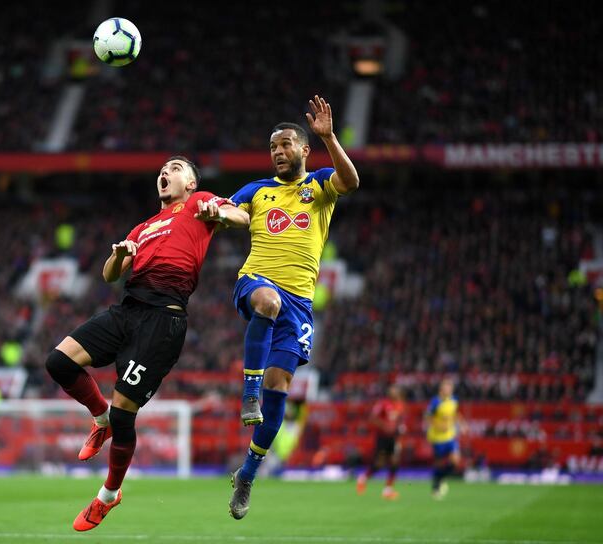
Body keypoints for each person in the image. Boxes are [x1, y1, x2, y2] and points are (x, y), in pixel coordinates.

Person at [44, 156, 249, 532]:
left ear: (190, 183)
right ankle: (99, 416)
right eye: (162, 170)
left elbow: (243, 218)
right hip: (127, 309)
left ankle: (109, 494)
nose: (165, 173)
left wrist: (217, 213)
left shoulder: (200, 202)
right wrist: (119, 256)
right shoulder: (144, 226)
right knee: (58, 362)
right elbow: (110, 276)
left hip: (163, 320)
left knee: (126, 415)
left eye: (175, 168)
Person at [216, 95, 360, 519]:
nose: (278, 152)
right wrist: (221, 212)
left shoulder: (318, 185)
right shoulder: (256, 190)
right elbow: (234, 213)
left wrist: (331, 136)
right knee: (267, 301)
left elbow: (351, 182)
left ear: (303, 149)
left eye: (285, 145)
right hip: (256, 282)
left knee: (281, 389)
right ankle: (248, 392)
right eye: (273, 147)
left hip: (299, 305)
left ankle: (247, 474)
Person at [356, 385, 406, 500]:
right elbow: (372, 417)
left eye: (395, 389)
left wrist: (401, 428)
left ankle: (388, 490)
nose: (393, 391)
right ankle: (363, 478)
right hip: (382, 437)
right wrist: (384, 425)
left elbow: (400, 420)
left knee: (395, 461)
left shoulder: (400, 404)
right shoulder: (383, 403)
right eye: (392, 389)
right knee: (380, 463)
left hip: (394, 438)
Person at [425, 378, 466, 500]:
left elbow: (455, 413)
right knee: (438, 464)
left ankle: (441, 479)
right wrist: (438, 426)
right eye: (446, 387)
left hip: (450, 436)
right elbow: (427, 417)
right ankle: (436, 485)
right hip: (437, 438)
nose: (448, 390)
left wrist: (462, 423)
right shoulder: (435, 402)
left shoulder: (454, 400)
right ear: (441, 389)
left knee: (456, 461)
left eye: (450, 388)